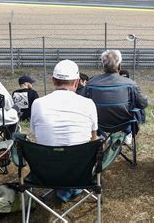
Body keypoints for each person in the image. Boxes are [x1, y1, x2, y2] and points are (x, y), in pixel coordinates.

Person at [30, 60, 98, 202]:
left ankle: (63, 190)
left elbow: (37, 135)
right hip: (79, 172)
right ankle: (69, 190)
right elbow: (94, 140)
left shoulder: (38, 104)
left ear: (53, 80)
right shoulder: (88, 104)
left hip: (45, 172)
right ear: (77, 82)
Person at [84, 50, 148, 144]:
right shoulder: (130, 84)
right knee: (138, 105)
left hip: (99, 124)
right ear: (119, 66)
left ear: (103, 65)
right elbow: (143, 103)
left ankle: (102, 135)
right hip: (123, 123)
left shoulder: (90, 83)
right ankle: (128, 133)